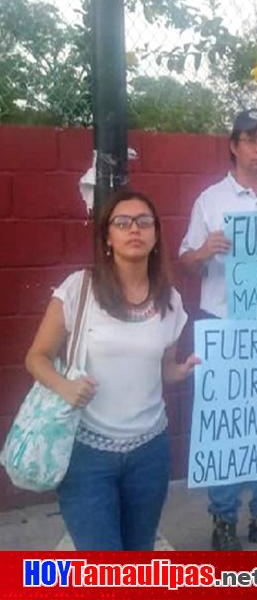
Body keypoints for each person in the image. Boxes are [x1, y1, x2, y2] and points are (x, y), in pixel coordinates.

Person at [24, 190, 196, 550]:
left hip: (150, 452)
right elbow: (36, 356)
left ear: (156, 235)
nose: (134, 229)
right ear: (107, 236)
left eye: (144, 222)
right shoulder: (78, 289)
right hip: (87, 455)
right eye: (123, 222)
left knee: (139, 551)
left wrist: (179, 373)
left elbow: (163, 369)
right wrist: (63, 386)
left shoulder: (170, 301)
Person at [179, 108, 257, 550]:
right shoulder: (210, 200)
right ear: (234, 145)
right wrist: (203, 249)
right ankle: (224, 519)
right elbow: (185, 260)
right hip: (223, 325)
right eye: (250, 140)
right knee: (225, 426)